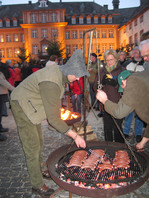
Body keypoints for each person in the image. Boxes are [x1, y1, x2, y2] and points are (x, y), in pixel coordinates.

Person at [10, 49, 89, 197]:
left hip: (31, 104)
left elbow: (52, 107)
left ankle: (40, 168)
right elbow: (53, 119)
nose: (78, 79)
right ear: (71, 71)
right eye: (77, 75)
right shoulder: (52, 82)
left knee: (39, 140)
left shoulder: (60, 73)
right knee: (32, 146)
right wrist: (75, 136)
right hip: (21, 105)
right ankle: (37, 184)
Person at [96, 70, 149, 151]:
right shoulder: (142, 83)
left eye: (123, 86)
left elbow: (119, 112)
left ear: (125, 80)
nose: (124, 90)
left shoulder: (134, 83)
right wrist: (143, 142)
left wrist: (104, 100)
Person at [94, 49, 125, 143]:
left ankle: (120, 149)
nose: (109, 62)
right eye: (107, 60)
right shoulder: (101, 71)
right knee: (107, 129)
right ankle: (108, 147)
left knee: (117, 129)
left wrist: (115, 84)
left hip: (117, 104)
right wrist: (101, 84)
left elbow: (127, 88)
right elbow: (95, 87)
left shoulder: (122, 70)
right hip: (105, 104)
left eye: (111, 59)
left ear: (116, 59)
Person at [122, 47, 144, 142]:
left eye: (138, 53)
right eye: (135, 53)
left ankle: (138, 133)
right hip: (130, 94)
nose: (137, 55)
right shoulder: (128, 65)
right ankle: (126, 132)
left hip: (141, 94)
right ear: (132, 55)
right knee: (128, 114)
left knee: (140, 116)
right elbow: (123, 78)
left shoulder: (145, 66)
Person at [0, 62, 14, 141]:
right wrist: (14, 89)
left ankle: (0, 127)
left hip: (1, 93)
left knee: (0, 112)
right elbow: (3, 82)